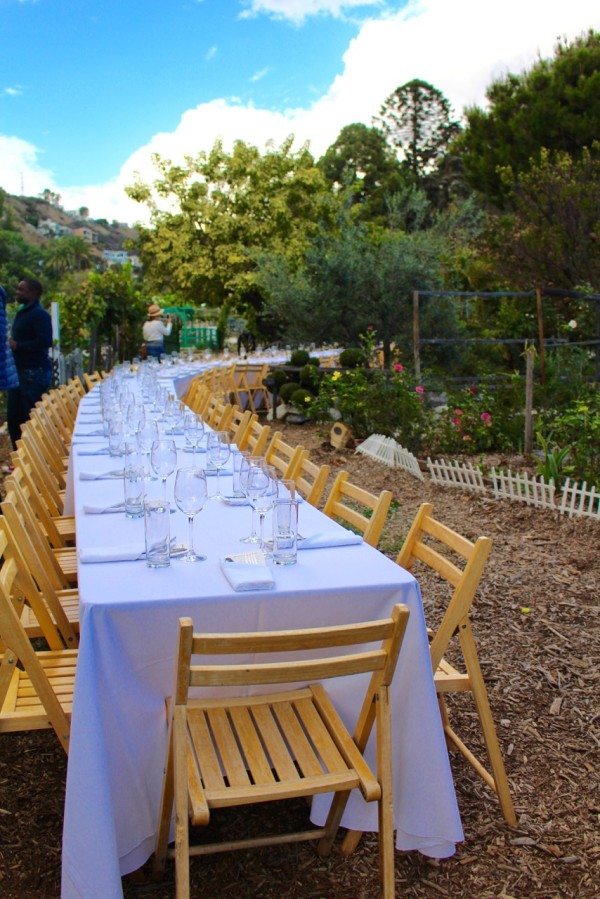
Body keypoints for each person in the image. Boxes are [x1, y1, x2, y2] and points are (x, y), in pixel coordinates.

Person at [7, 278, 53, 449]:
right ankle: (19, 459)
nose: (17, 292)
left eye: (21, 289)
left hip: (33, 374)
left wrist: (19, 345)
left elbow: (45, 341)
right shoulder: (24, 312)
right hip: (20, 373)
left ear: (33, 293)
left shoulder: (39, 315)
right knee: (14, 419)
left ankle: (31, 458)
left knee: (28, 419)